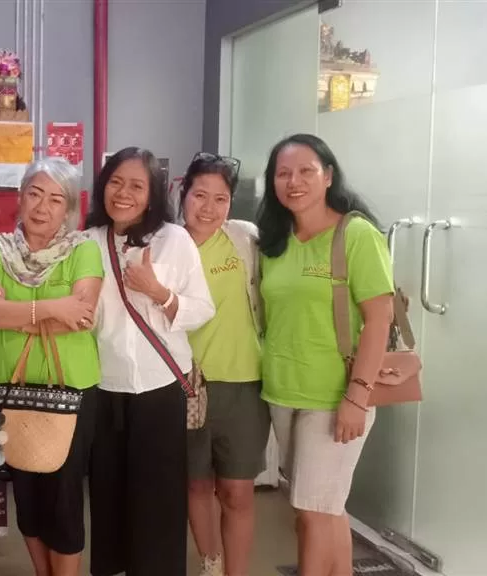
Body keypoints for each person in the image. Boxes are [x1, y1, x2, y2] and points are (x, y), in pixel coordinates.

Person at [257, 134, 393, 575]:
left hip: (335, 397)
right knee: (321, 507)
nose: (293, 181)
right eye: (283, 173)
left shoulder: (355, 234)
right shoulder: (275, 242)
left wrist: (357, 396)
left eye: (306, 171)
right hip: (283, 391)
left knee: (314, 513)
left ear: (328, 176)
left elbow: (379, 319)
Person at [87, 147, 215, 576]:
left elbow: (203, 309)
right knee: (108, 497)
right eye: (116, 182)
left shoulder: (174, 240)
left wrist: (158, 291)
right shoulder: (87, 241)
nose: (124, 193)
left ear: (152, 194)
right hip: (104, 388)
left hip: (160, 388)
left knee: (159, 500)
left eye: (136, 186)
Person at [0, 157, 103, 576]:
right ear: (20, 197)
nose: (43, 207)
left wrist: (12, 314)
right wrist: (50, 308)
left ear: (69, 208)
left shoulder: (83, 250)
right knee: (26, 501)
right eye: (35, 194)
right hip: (11, 391)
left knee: (63, 502)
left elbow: (81, 316)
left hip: (71, 392)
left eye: (55, 199)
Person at [179, 153, 270, 576]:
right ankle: (210, 563)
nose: (209, 208)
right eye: (200, 195)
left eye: (221, 199)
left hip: (243, 384)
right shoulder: (165, 245)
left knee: (237, 491)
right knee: (196, 483)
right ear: (183, 194)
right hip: (186, 385)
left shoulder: (245, 239)